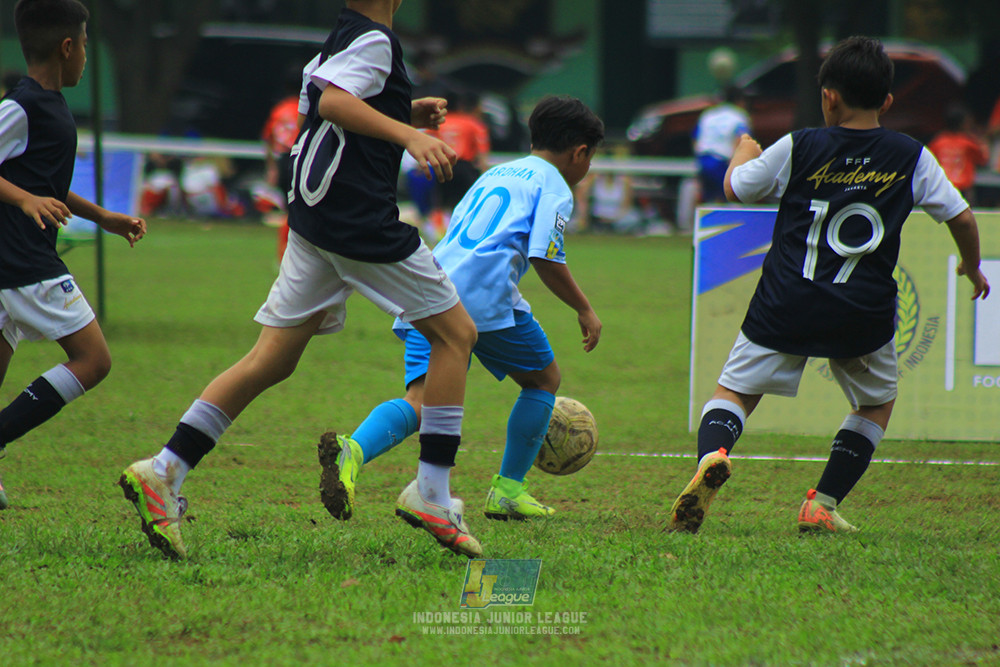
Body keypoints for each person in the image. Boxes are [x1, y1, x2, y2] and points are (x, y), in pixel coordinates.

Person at [119, 0, 481, 560]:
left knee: (271, 359)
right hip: (356, 221)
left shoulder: (343, 36)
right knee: (456, 336)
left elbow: (322, 105)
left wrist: (403, 112)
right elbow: (334, 102)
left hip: (314, 221)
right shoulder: (376, 40)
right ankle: (432, 494)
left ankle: (164, 470)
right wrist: (409, 136)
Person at [668, 36, 990, 535]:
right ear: (887, 101)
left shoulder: (801, 145)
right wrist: (971, 265)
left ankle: (714, 455)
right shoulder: (911, 156)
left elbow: (737, 189)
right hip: (861, 313)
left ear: (828, 97)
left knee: (736, 390)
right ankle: (822, 503)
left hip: (786, 302)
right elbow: (962, 217)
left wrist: (742, 152)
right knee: (875, 404)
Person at [318, 95, 604, 524]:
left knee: (421, 399)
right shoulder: (555, 187)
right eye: (590, 158)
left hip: (429, 285)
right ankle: (508, 491)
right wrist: (584, 309)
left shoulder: (497, 172)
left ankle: (353, 451)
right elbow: (546, 256)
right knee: (544, 379)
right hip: (483, 298)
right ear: (579, 153)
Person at [0, 0, 147, 510]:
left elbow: (43, 181)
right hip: (24, 262)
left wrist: (103, 217)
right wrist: (24, 200)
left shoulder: (51, 105)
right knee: (94, 359)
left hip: (14, 261)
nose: (86, 54)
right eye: (85, 44)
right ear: (67, 47)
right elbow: (30, 190)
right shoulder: (22, 106)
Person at [261, 64, 304, 260]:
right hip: (301, 160)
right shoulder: (307, 108)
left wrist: (271, 168)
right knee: (302, 211)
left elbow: (268, 139)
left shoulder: (279, 110)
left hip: (283, 161)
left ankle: (283, 255)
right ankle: (296, 256)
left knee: (289, 210)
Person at [693, 85, 750, 204]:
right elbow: (740, 140)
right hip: (721, 162)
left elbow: (696, 140)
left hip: (704, 160)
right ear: (739, 100)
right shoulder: (739, 116)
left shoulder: (708, 114)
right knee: (726, 200)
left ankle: (693, 216)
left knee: (704, 199)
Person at [927, 104, 988, 204]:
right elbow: (983, 159)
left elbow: (929, 162)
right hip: (963, 188)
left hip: (942, 187)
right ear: (963, 123)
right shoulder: (968, 143)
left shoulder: (938, 142)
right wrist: (982, 141)